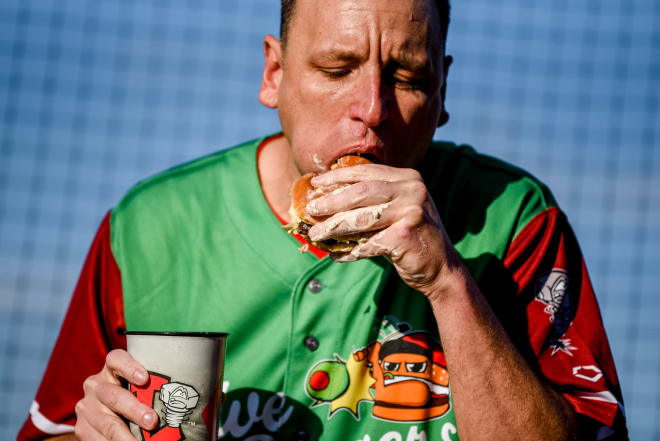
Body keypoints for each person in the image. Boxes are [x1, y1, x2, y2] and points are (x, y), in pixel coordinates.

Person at [18, 0, 628, 440]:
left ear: (443, 93)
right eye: (337, 69)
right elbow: (52, 431)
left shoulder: (514, 216)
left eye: (409, 78)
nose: (372, 110)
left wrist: (448, 282)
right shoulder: (149, 226)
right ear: (274, 74)